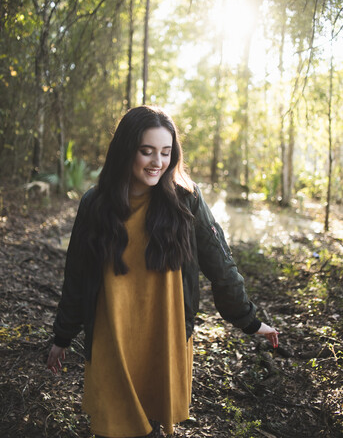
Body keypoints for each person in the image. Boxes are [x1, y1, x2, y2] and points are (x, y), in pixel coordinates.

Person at [47, 105, 278, 438]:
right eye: (147, 151)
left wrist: (248, 319)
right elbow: (77, 277)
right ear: (127, 150)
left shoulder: (185, 201)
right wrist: (62, 336)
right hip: (112, 339)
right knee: (112, 429)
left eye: (166, 153)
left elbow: (220, 263)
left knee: (153, 427)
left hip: (164, 337)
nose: (157, 162)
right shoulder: (95, 204)